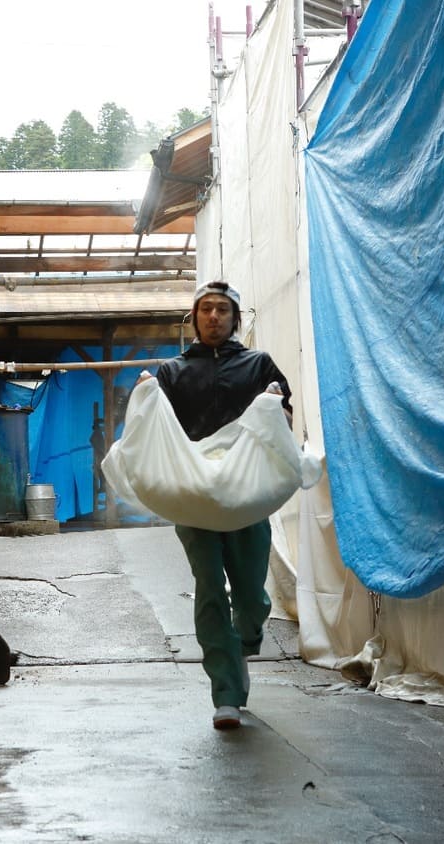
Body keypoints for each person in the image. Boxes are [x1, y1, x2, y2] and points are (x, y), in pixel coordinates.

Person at [138, 280, 292, 731]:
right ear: (194, 316)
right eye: (205, 309)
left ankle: (246, 636)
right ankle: (225, 692)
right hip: (194, 496)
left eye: (222, 309)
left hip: (246, 493)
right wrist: (147, 394)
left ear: (235, 318)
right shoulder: (172, 371)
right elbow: (153, 425)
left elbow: (284, 414)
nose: (213, 317)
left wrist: (274, 407)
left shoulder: (258, 365)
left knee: (249, 592)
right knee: (209, 587)